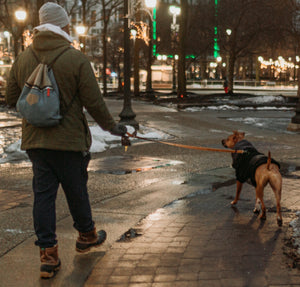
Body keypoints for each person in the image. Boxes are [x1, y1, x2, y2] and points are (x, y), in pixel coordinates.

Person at [6, 2, 127, 279]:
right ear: (63, 26)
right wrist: (112, 128)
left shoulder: (24, 57)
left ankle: (48, 256)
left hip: (36, 141)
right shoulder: (76, 59)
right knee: (76, 189)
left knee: (43, 196)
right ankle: (86, 235)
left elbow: (12, 97)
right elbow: (94, 102)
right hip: (70, 140)